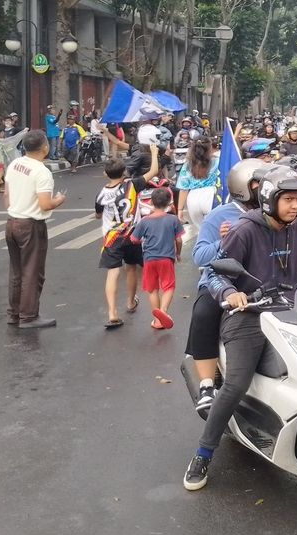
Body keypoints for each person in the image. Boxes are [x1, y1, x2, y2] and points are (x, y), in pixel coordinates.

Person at [183, 165, 297, 491]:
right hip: (249, 315)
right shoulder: (245, 230)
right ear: (269, 199)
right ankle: (204, 453)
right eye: (287, 199)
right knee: (235, 384)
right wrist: (232, 294)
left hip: (291, 313)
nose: (294, 206)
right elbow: (216, 274)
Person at [187, 158, 268, 415]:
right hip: (222, 282)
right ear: (244, 186)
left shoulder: (272, 213)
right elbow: (200, 257)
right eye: (259, 184)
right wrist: (223, 241)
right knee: (204, 313)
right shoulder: (220, 215)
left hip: (262, 281)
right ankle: (207, 386)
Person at [4, 130, 67, 328]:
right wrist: (59, 200)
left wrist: (17, 209)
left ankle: (15, 314)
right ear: (45, 148)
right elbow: (45, 204)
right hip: (31, 226)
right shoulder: (42, 172)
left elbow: (6, 195)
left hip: (12, 222)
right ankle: (29, 316)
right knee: (32, 272)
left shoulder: (15, 163)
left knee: (17, 271)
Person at [95, 147, 160, 327]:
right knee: (131, 268)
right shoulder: (132, 185)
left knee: (113, 272)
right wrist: (154, 153)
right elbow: (154, 171)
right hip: (133, 235)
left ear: (105, 174)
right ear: (124, 171)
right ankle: (131, 302)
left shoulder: (101, 194)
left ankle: (112, 312)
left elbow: (98, 215)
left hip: (112, 237)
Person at [131, 186, 184, 330]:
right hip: (166, 259)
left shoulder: (145, 221)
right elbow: (179, 240)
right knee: (169, 287)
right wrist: (178, 254)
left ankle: (157, 320)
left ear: (151, 202)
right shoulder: (173, 220)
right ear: (169, 203)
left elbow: (134, 239)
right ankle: (163, 311)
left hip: (149, 259)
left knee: (153, 289)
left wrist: (142, 241)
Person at [175, 138, 218, 222]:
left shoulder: (187, 165)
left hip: (193, 199)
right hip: (212, 196)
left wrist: (180, 209)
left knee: (201, 230)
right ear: (210, 147)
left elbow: (183, 189)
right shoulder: (218, 161)